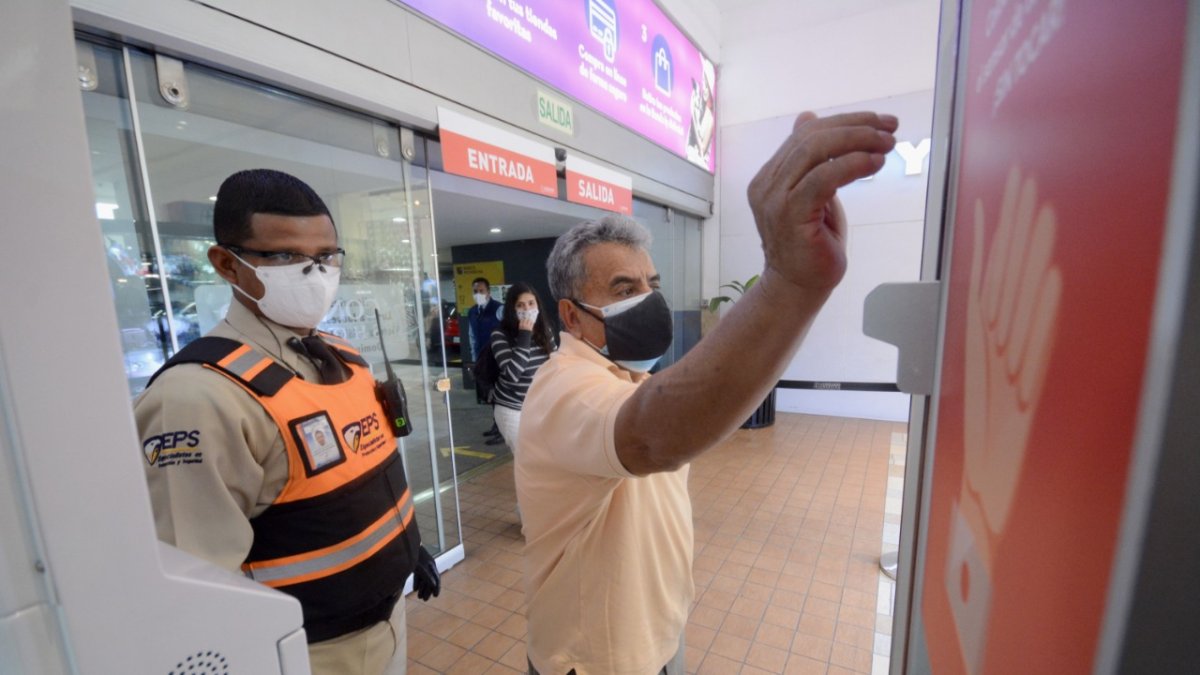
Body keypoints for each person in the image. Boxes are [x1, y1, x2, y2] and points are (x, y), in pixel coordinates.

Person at [515, 111, 898, 674]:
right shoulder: (562, 387)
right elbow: (650, 436)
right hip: (594, 660)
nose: (649, 300)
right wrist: (791, 284)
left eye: (652, 285)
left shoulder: (631, 375)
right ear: (571, 316)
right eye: (624, 288)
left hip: (658, 638)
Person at [134, 168, 440, 675]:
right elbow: (195, 587)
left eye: (326, 257)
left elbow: (365, 473)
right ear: (227, 264)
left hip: (389, 622)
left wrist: (407, 549)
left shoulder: (343, 357)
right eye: (285, 257)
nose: (314, 274)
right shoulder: (198, 398)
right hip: (307, 653)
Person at [489, 281, 557, 454]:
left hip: (539, 406)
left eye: (531, 303)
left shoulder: (545, 330)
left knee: (547, 457)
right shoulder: (500, 335)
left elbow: (555, 366)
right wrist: (524, 336)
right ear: (512, 310)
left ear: (538, 305)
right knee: (527, 458)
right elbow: (513, 375)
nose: (527, 309)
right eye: (520, 305)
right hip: (512, 408)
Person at [466, 276, 504, 439]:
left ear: (488, 292)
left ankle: (502, 429)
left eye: (481, 291)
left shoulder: (499, 309)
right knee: (490, 394)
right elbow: (472, 336)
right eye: (475, 291)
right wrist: (475, 359)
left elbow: (509, 331)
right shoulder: (472, 312)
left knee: (501, 394)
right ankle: (497, 425)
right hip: (483, 360)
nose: (478, 294)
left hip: (498, 358)